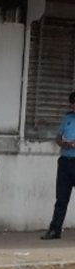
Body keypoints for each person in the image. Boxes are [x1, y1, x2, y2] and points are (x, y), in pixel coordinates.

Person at [41, 91, 75, 240]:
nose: (73, 107)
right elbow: (58, 137)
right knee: (61, 198)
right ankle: (55, 229)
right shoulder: (67, 118)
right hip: (65, 161)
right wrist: (64, 143)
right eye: (72, 104)